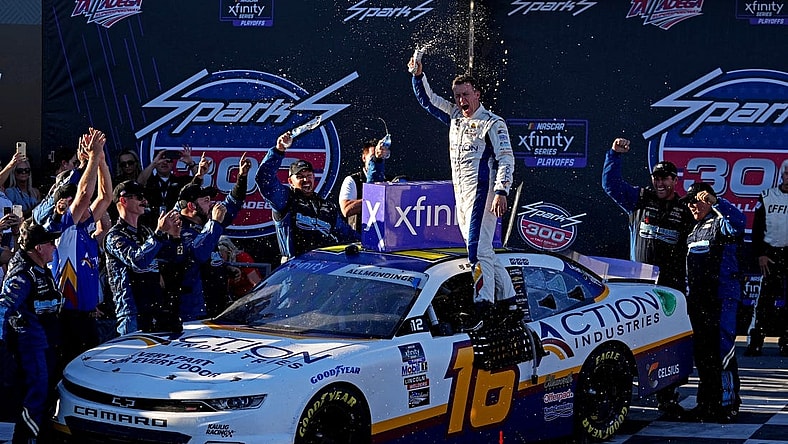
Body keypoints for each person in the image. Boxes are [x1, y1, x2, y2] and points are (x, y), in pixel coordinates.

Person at [408, 55, 517, 325]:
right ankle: (509, 302)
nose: (461, 101)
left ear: (477, 94)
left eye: (466, 95)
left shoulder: (493, 123)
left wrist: (502, 191)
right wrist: (418, 76)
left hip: (484, 194)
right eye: (457, 96)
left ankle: (484, 307)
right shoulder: (456, 117)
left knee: (476, 252)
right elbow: (428, 100)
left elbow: (506, 158)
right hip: (462, 195)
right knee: (483, 252)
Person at [601, 138, 695, 417]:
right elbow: (611, 187)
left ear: (675, 181)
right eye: (657, 178)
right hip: (638, 287)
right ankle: (622, 397)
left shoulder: (685, 208)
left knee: (667, 342)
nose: (660, 183)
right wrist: (614, 155)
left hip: (670, 287)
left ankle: (668, 398)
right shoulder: (640, 198)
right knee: (632, 340)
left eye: (666, 178)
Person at [681, 182, 746, 423]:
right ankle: (706, 403)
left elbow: (739, 224)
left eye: (694, 201)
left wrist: (717, 202)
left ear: (707, 200)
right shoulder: (692, 231)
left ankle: (728, 404)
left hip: (722, 297)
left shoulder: (721, 222)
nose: (690, 206)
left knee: (722, 351)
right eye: (688, 202)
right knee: (703, 354)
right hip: (699, 301)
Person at [159, 153, 250, 322]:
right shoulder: (178, 229)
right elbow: (198, 253)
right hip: (193, 312)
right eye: (206, 200)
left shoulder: (207, 223)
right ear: (192, 206)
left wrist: (241, 178)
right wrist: (215, 223)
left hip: (216, 306)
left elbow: (232, 205)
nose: (212, 204)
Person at [49, 129, 114, 364]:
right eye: (72, 198)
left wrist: (102, 161)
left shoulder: (85, 226)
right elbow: (86, 193)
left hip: (87, 315)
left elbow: (106, 196)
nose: (80, 202)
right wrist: (93, 157)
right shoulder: (64, 228)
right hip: (68, 316)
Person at [0, 219, 62, 443]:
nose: (54, 247)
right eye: (51, 243)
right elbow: (3, 306)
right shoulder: (23, 274)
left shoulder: (41, 270)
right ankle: (26, 439)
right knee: (35, 396)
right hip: (31, 348)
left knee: (45, 396)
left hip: (47, 345)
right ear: (39, 247)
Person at [256, 133, 360, 262]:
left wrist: (372, 244)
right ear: (290, 181)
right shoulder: (285, 198)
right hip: (295, 266)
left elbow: (348, 235)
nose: (306, 180)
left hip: (323, 267)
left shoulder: (326, 206)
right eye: (300, 176)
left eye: (309, 175)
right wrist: (278, 151)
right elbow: (264, 179)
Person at [104, 180, 184, 335]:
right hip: (132, 313)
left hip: (156, 308)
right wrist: (159, 234)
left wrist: (175, 237)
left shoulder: (146, 231)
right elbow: (137, 262)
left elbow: (173, 259)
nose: (144, 201)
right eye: (139, 197)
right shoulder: (114, 236)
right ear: (123, 200)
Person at [747, 159, 788, 356]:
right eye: (787, 173)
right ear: (782, 174)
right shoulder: (767, 196)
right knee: (764, 302)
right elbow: (756, 229)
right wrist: (761, 254)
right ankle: (755, 342)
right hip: (770, 254)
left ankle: (786, 342)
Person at [339, 139, 389, 232]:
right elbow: (346, 210)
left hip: (383, 237)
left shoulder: (388, 181)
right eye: (372, 157)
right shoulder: (352, 180)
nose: (374, 160)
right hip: (358, 238)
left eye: (379, 157)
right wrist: (375, 201)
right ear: (364, 158)